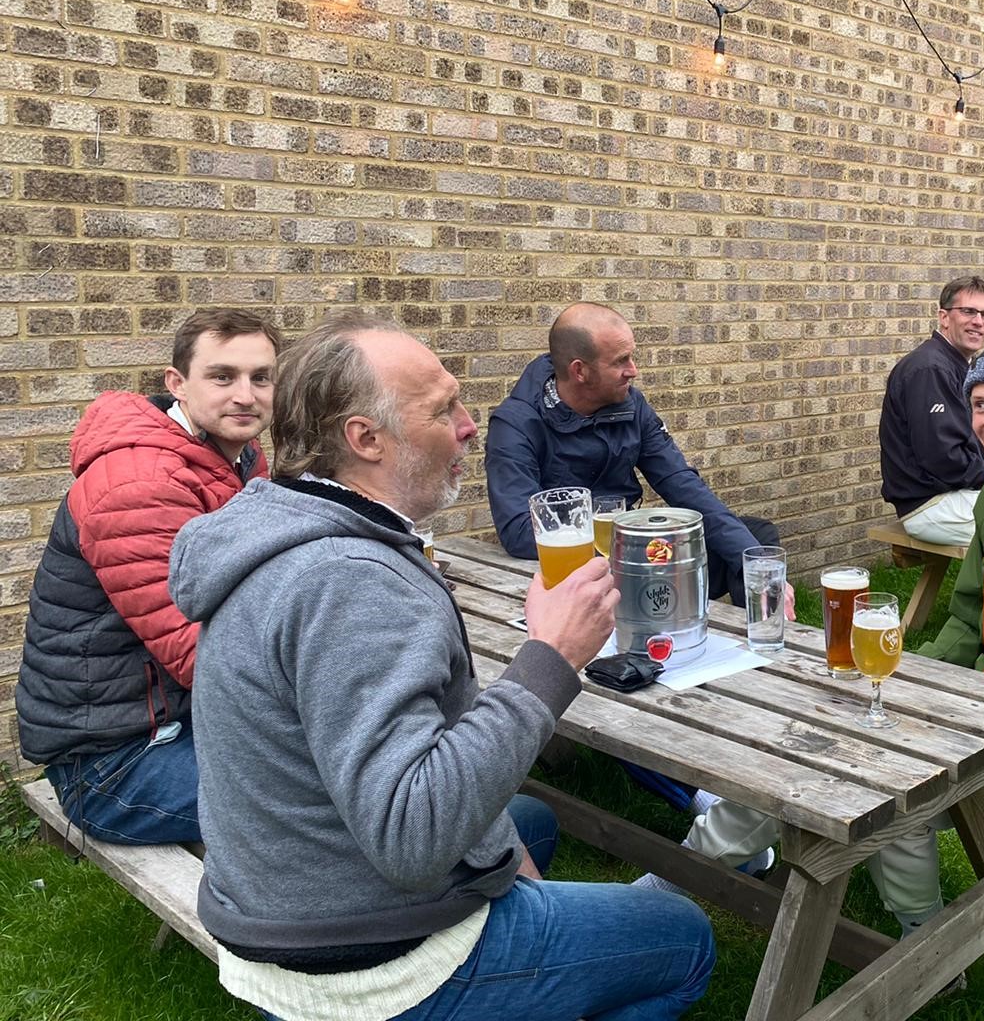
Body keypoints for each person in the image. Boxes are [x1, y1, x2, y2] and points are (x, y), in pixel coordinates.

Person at [169, 312, 715, 1021]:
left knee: (530, 821)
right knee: (686, 938)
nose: (468, 426)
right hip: (357, 963)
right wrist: (551, 658)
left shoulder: (282, 528)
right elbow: (413, 835)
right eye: (442, 409)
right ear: (365, 438)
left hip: (279, 898)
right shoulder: (349, 581)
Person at [644, 329, 984, 945]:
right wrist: (906, 687)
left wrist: (957, 700)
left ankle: (923, 948)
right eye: (980, 404)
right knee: (804, 747)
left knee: (896, 794)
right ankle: (675, 878)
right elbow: (966, 619)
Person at [13, 308, 281, 845]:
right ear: (177, 384)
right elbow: (199, 653)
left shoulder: (236, 458)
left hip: (186, 719)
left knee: (367, 768)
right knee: (339, 797)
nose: (245, 395)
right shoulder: (139, 484)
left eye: (261, 377)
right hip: (115, 762)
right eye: (222, 376)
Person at [485, 302, 777, 605]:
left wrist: (756, 563)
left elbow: (681, 483)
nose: (633, 370)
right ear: (580, 371)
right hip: (570, 573)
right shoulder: (516, 425)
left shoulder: (631, 407)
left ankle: (759, 628)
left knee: (752, 543)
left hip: (634, 551)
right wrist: (632, 543)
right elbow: (519, 531)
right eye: (621, 361)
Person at [878, 275, 984, 545]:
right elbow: (944, 459)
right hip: (931, 505)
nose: (978, 321)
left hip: (955, 494)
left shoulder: (960, 365)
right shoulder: (930, 369)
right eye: (968, 311)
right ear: (944, 317)